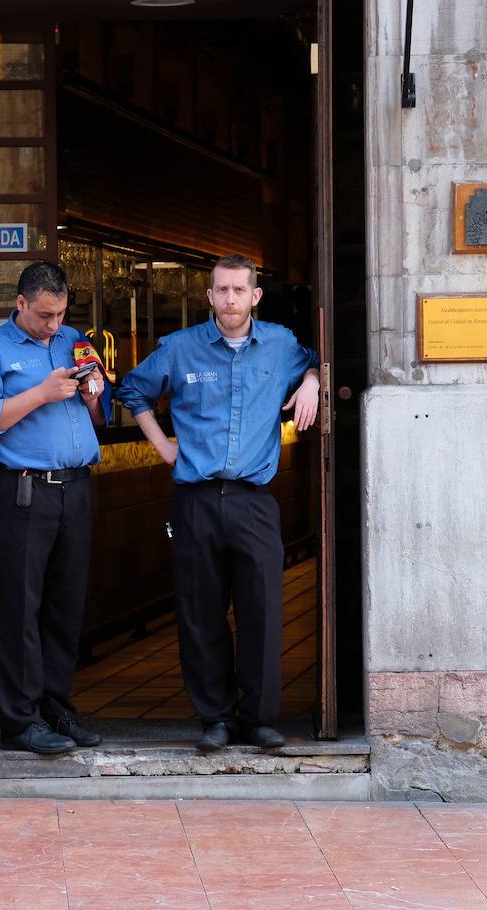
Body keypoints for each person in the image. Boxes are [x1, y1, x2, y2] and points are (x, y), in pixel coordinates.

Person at [116, 254, 320, 753]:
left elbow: (316, 359)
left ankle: (259, 718)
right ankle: (216, 717)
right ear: (209, 296)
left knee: (263, 612)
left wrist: (312, 379)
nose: (230, 298)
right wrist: (161, 446)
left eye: (238, 290)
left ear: (255, 296)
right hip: (196, 501)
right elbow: (132, 389)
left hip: (254, 501)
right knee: (201, 612)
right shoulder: (180, 349)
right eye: (221, 290)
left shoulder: (280, 344)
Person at [0, 261, 109, 755]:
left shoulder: (75, 340)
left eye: (61, 313)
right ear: (21, 303)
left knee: (65, 605)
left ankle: (55, 706)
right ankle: (20, 720)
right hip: (25, 490)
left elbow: (98, 415)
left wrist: (94, 396)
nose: (53, 324)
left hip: (76, 487)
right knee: (20, 608)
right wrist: (40, 393)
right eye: (45, 314)